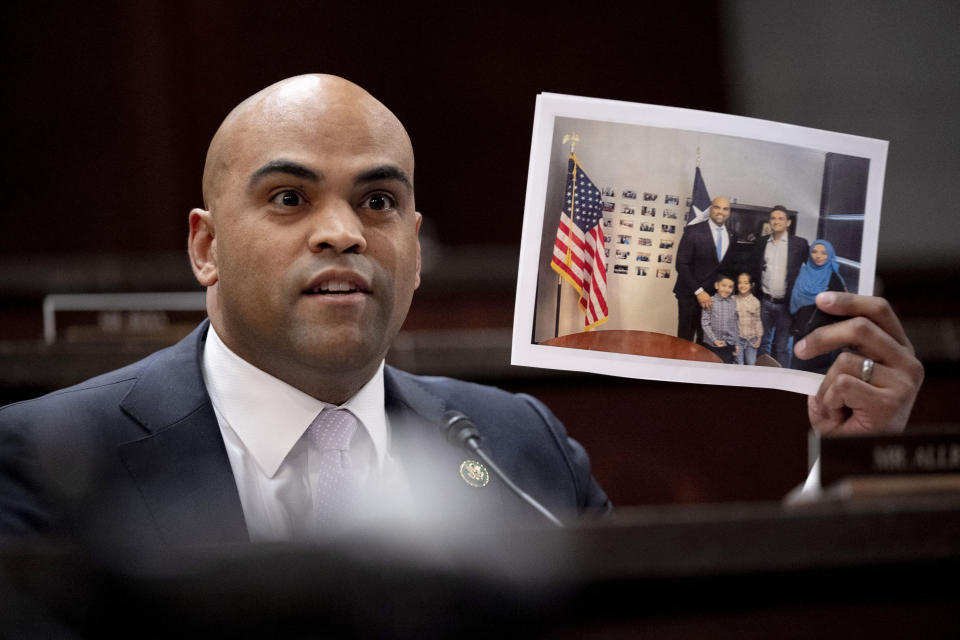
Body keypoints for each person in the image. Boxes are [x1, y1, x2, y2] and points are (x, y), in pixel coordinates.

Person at [0, 75, 925, 548]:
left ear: (411, 243)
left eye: (378, 202)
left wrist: (841, 471)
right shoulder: (46, 461)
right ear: (205, 246)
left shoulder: (519, 443)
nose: (343, 235)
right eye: (289, 199)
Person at [674, 196, 741, 344]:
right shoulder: (693, 231)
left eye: (725, 209)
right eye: (717, 207)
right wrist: (699, 291)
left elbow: (726, 268)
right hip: (690, 295)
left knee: (707, 341)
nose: (721, 212)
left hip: (714, 299)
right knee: (685, 340)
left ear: (729, 212)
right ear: (711, 209)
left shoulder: (732, 235)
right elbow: (681, 264)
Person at [751, 206, 810, 367]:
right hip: (764, 301)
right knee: (762, 343)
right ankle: (759, 381)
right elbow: (755, 268)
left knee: (781, 346)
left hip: (786, 304)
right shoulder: (761, 242)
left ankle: (782, 382)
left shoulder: (799, 244)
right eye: (773, 218)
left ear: (788, 222)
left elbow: (813, 268)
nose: (776, 221)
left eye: (780, 218)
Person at [790, 240, 847, 374]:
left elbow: (841, 308)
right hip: (800, 328)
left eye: (823, 253)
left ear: (830, 255)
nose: (818, 256)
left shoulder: (833, 277)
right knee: (798, 368)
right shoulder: (804, 272)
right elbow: (794, 298)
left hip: (820, 331)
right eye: (815, 252)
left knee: (815, 372)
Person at [700, 274, 738, 364]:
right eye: (724, 285)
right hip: (711, 344)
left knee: (726, 368)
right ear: (717, 285)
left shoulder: (733, 303)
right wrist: (714, 340)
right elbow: (705, 323)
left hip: (728, 345)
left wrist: (736, 343)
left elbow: (735, 324)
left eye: (730, 287)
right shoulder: (709, 301)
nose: (726, 289)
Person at [734, 272, 762, 366]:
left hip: (751, 340)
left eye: (746, 283)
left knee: (751, 364)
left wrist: (759, 337)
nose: (742, 285)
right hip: (738, 340)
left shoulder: (756, 302)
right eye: (740, 283)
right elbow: (731, 322)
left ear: (751, 285)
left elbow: (758, 320)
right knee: (739, 364)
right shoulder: (733, 300)